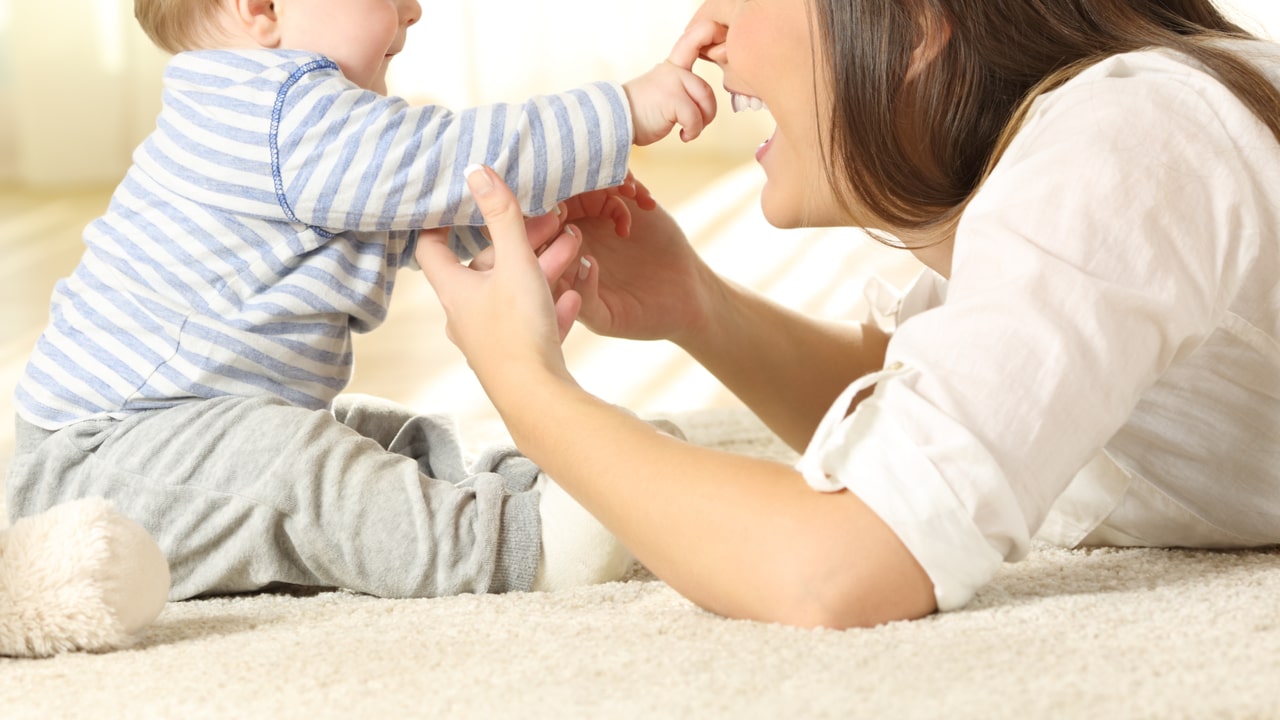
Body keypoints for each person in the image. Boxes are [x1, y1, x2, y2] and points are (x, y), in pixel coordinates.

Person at [417, 0, 1280, 628]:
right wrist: (698, 305)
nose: (705, 34)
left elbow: (839, 568)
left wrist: (527, 387)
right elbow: (921, 401)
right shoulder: (1072, 158)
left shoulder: (1123, 146)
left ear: (912, 21)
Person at [6, 0, 716, 600]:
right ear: (259, 6)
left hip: (158, 440)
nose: (413, 10)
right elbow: (433, 160)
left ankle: (547, 490)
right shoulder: (271, 111)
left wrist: (543, 194)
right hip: (97, 469)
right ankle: (514, 550)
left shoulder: (295, 122)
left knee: (365, 436)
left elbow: (410, 201)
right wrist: (619, 113)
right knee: (297, 466)